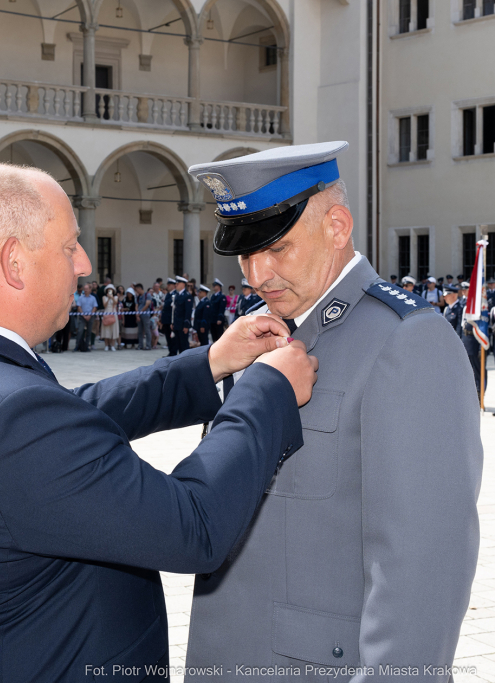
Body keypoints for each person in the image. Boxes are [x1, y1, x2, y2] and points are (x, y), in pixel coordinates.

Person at [0, 163, 316, 683]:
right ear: (14, 262)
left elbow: (75, 413)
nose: (84, 264)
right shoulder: (10, 415)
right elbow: (195, 526)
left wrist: (209, 363)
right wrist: (268, 390)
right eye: (69, 247)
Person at [184, 142, 481, 678]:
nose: (257, 274)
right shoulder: (262, 331)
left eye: (277, 248)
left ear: (337, 227)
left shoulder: (406, 340)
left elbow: (422, 567)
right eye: (245, 255)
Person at [170, 275, 193, 355]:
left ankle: (186, 360)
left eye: (178, 283)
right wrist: (173, 323)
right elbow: (175, 310)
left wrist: (186, 325)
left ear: (183, 284)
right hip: (177, 323)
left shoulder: (187, 295)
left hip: (183, 324)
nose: (176, 285)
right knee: (178, 344)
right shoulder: (177, 295)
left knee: (184, 345)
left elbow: (188, 311)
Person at [74, 283, 97, 351]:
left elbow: (95, 307)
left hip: (90, 316)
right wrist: (84, 315)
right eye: (85, 289)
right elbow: (79, 307)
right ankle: (77, 346)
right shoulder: (81, 298)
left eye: (86, 289)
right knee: (80, 331)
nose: (85, 290)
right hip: (82, 316)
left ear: (90, 289)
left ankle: (86, 346)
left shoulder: (93, 298)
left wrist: (89, 315)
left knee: (89, 332)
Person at [98, 284, 119, 350]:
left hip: (113, 313)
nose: (110, 290)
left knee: (113, 329)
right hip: (106, 312)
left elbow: (115, 303)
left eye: (111, 289)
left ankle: (112, 345)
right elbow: (104, 305)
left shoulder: (115, 297)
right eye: (108, 289)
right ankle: (106, 345)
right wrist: (108, 298)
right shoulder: (104, 297)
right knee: (106, 329)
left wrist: (112, 297)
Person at [135, 283, 154, 350]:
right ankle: (140, 345)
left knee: (147, 330)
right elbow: (136, 305)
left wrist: (140, 312)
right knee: (140, 331)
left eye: (137, 289)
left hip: (145, 315)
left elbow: (147, 305)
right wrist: (137, 314)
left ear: (140, 289)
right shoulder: (137, 297)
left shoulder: (147, 295)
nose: (136, 291)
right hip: (139, 315)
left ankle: (148, 345)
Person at [160, 277, 175, 351]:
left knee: (172, 337)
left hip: (170, 319)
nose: (167, 286)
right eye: (168, 285)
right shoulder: (168, 294)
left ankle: (173, 352)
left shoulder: (174, 294)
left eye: (169, 285)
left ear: (173, 286)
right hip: (166, 319)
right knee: (167, 336)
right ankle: (170, 351)